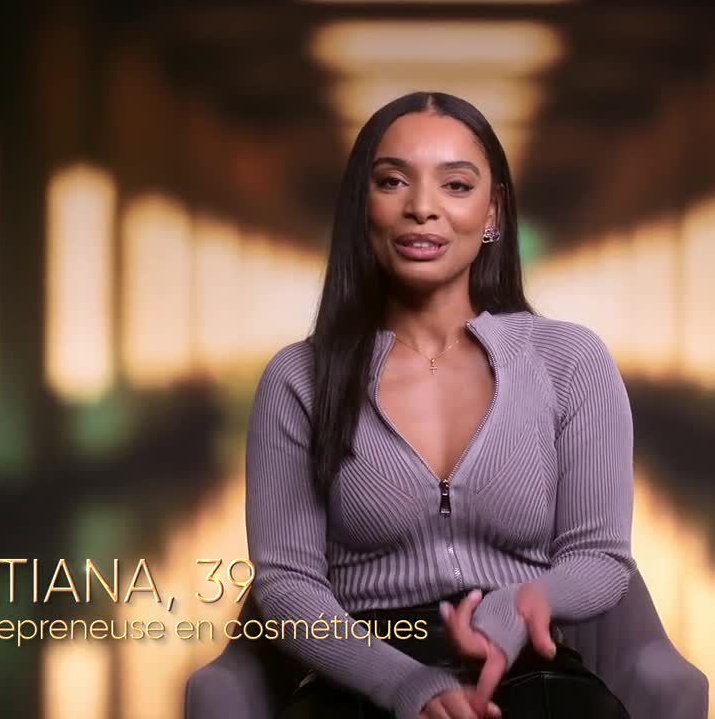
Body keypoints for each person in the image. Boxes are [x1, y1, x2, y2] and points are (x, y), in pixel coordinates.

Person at [245, 91, 636, 719]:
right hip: (360, 680)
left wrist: (517, 607)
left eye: (455, 185)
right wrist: (406, 684)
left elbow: (600, 559)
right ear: (361, 206)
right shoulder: (299, 378)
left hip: (528, 673)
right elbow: (287, 586)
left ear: (492, 211)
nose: (422, 208)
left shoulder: (570, 360)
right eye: (392, 181)